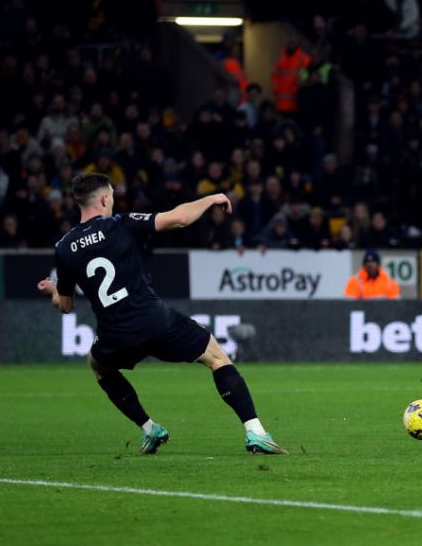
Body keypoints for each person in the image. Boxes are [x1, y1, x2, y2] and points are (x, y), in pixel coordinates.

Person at [36, 172, 286, 455]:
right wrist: (212, 198)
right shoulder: (119, 224)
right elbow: (178, 218)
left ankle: (149, 428)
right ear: (104, 198)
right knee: (217, 357)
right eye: (112, 199)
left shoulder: (64, 248)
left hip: (115, 333)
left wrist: (53, 290)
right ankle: (255, 432)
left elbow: (65, 306)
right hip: (154, 320)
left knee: (99, 366)